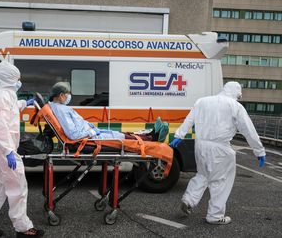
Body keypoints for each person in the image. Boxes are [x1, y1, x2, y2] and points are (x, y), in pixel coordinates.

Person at [170, 81, 266, 225]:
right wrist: (259, 150)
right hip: (220, 148)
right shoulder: (235, 106)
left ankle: (189, 199)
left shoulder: (202, 101)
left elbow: (189, 120)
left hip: (200, 145)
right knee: (220, 181)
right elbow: (248, 130)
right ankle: (215, 215)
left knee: (202, 174)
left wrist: (179, 136)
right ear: (236, 93)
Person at [0, 61, 44, 238]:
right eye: (17, 78)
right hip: (2, 149)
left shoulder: (5, 95)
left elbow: (11, 109)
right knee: (18, 187)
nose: (19, 81)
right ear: (10, 78)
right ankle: (23, 229)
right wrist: (8, 151)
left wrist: (25, 103)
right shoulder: (0, 97)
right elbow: (0, 126)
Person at [48, 82, 169, 142]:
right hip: (88, 138)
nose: (69, 96)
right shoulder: (61, 110)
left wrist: (91, 129)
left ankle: (151, 134)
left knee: (119, 133)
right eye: (68, 94)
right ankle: (151, 138)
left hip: (90, 134)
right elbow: (73, 135)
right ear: (61, 95)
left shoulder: (58, 108)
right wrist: (92, 131)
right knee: (119, 137)